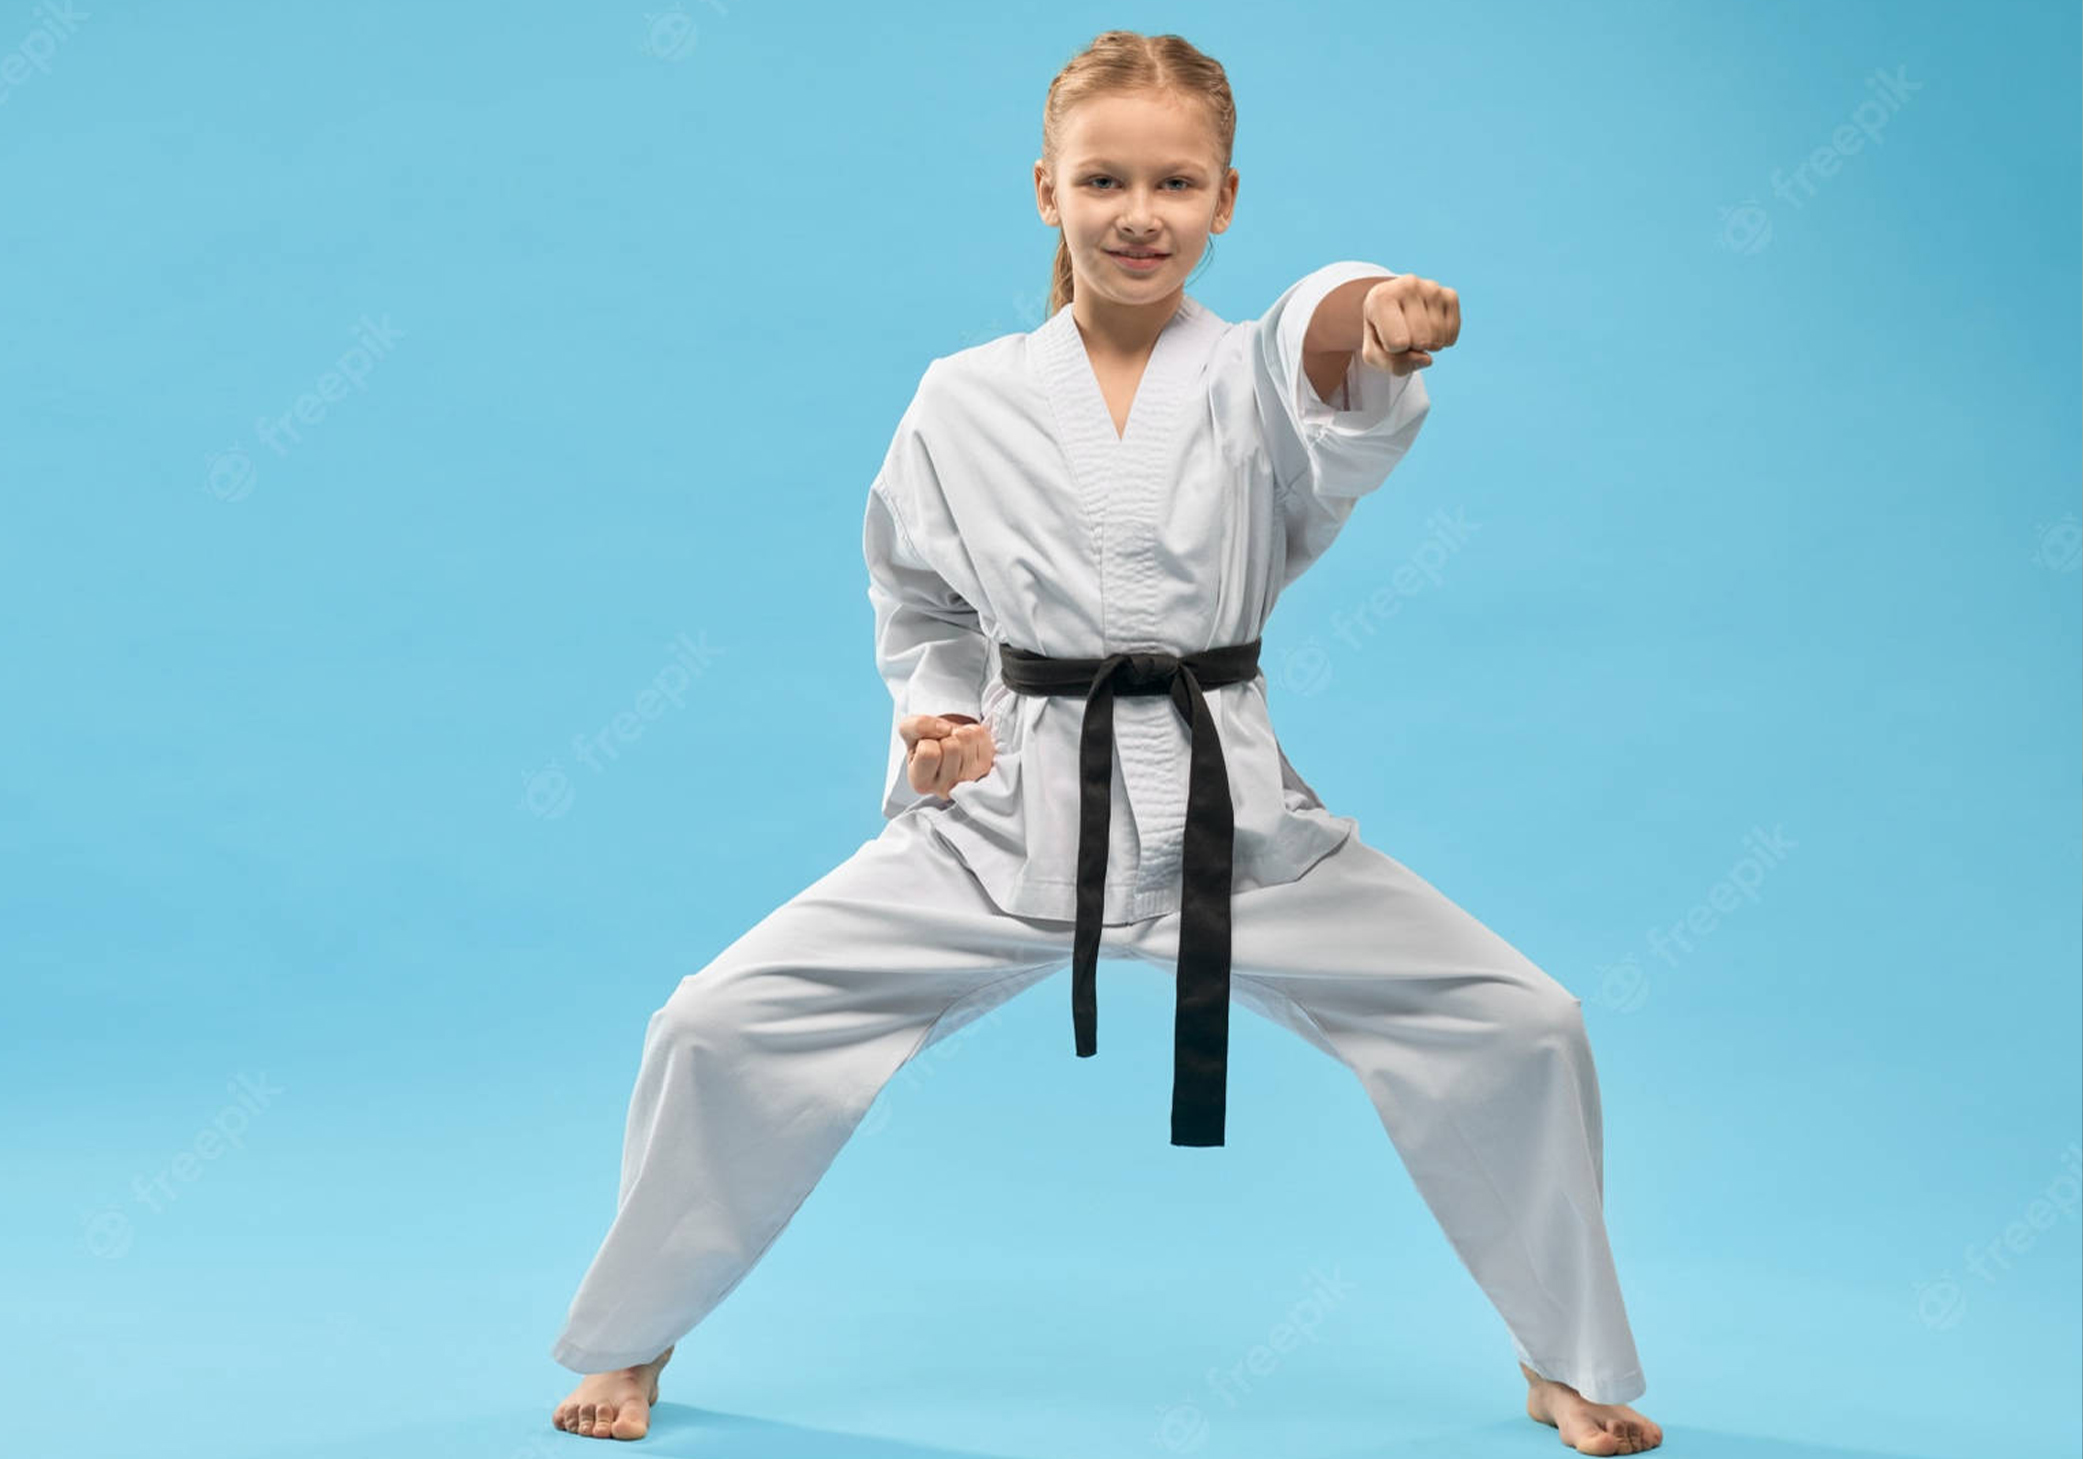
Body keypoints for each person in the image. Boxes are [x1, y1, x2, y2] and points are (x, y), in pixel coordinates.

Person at [548, 28, 1662, 1455]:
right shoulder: (962, 396)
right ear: (1046, 190)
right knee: (716, 1022)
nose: (1142, 214)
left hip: (1231, 827)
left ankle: (1564, 1359)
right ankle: (630, 1335)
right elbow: (920, 599)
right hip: (1013, 818)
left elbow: (1321, 339)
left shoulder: (1253, 376)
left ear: (1227, 200)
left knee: (1523, 1024)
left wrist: (1376, 310)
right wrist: (941, 724)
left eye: (1178, 184)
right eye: (1105, 180)